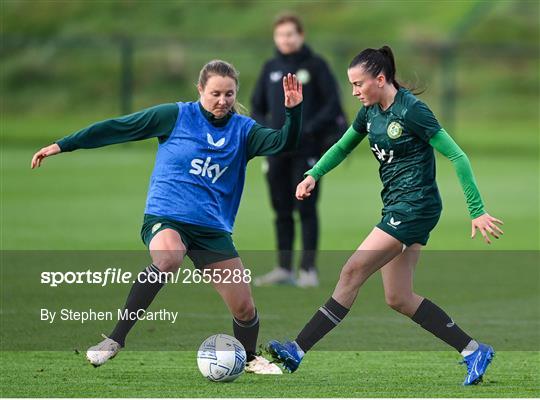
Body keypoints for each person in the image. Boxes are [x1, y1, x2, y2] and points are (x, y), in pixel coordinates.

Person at [31, 60, 304, 375]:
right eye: (215, 93)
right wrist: (63, 145)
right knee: (169, 257)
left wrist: (293, 111)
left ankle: (248, 357)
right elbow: (118, 127)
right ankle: (115, 339)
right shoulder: (174, 116)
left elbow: (285, 142)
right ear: (200, 89)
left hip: (211, 228)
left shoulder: (243, 131)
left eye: (229, 94)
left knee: (244, 307)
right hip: (167, 216)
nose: (223, 101)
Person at [267, 46, 503, 385]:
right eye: (351, 85)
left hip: (415, 206)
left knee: (351, 271)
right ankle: (473, 351)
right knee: (399, 298)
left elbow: (458, 156)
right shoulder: (370, 112)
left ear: (380, 79)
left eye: (359, 84)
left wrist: (477, 210)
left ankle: (297, 350)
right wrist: (313, 174)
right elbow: (343, 146)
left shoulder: (413, 111)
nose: (354, 91)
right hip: (397, 206)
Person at [251, 13, 347, 288]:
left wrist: (308, 128)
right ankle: (283, 267)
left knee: (305, 208)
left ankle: (308, 269)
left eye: (290, 34)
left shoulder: (316, 66)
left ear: (301, 36)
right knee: (281, 209)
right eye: (281, 35)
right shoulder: (270, 66)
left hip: (307, 150)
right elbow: (257, 105)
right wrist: (266, 130)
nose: (286, 39)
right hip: (276, 149)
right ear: (275, 38)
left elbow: (332, 105)